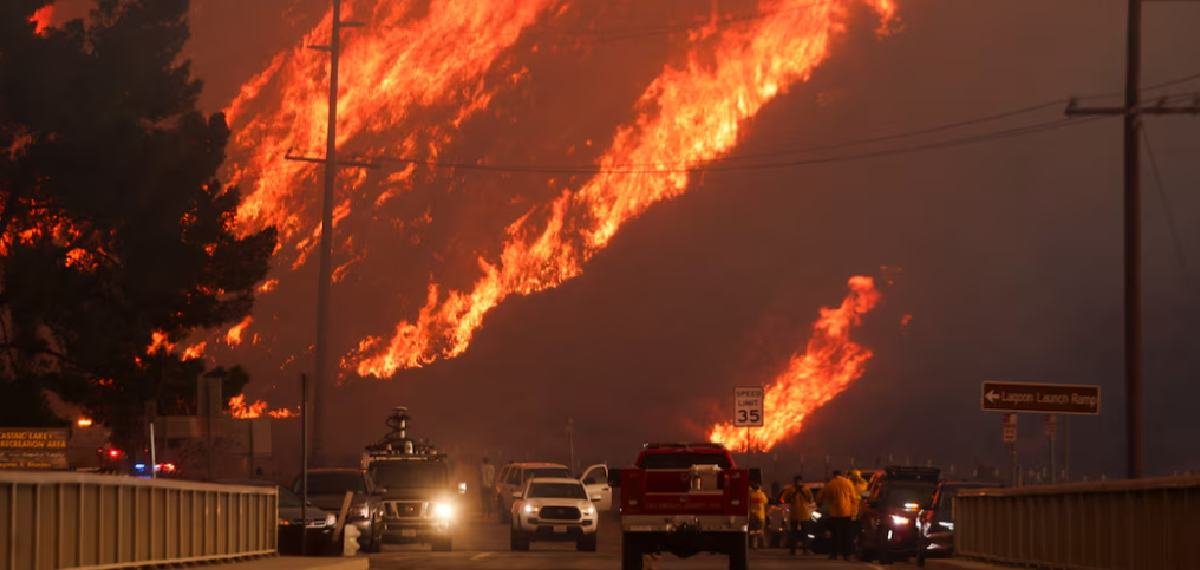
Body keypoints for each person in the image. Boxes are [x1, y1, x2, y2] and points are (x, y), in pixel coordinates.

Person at [823, 470, 859, 561]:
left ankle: (833, 554)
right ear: (841, 475)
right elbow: (853, 499)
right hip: (847, 513)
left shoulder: (830, 484)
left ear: (834, 475)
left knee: (834, 535)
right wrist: (854, 513)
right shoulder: (848, 483)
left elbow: (827, 499)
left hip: (834, 514)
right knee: (847, 535)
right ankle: (848, 555)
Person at [778, 475, 815, 555]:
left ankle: (793, 550)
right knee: (805, 533)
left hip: (794, 514)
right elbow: (811, 499)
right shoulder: (806, 489)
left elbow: (783, 499)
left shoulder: (790, 489)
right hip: (804, 514)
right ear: (801, 481)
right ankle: (805, 549)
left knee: (793, 533)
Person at [748, 482, 768, 549]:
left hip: (753, 515)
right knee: (760, 530)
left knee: (753, 531)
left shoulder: (751, 494)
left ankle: (754, 545)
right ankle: (762, 545)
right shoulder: (762, 494)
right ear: (759, 487)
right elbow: (765, 501)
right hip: (760, 515)